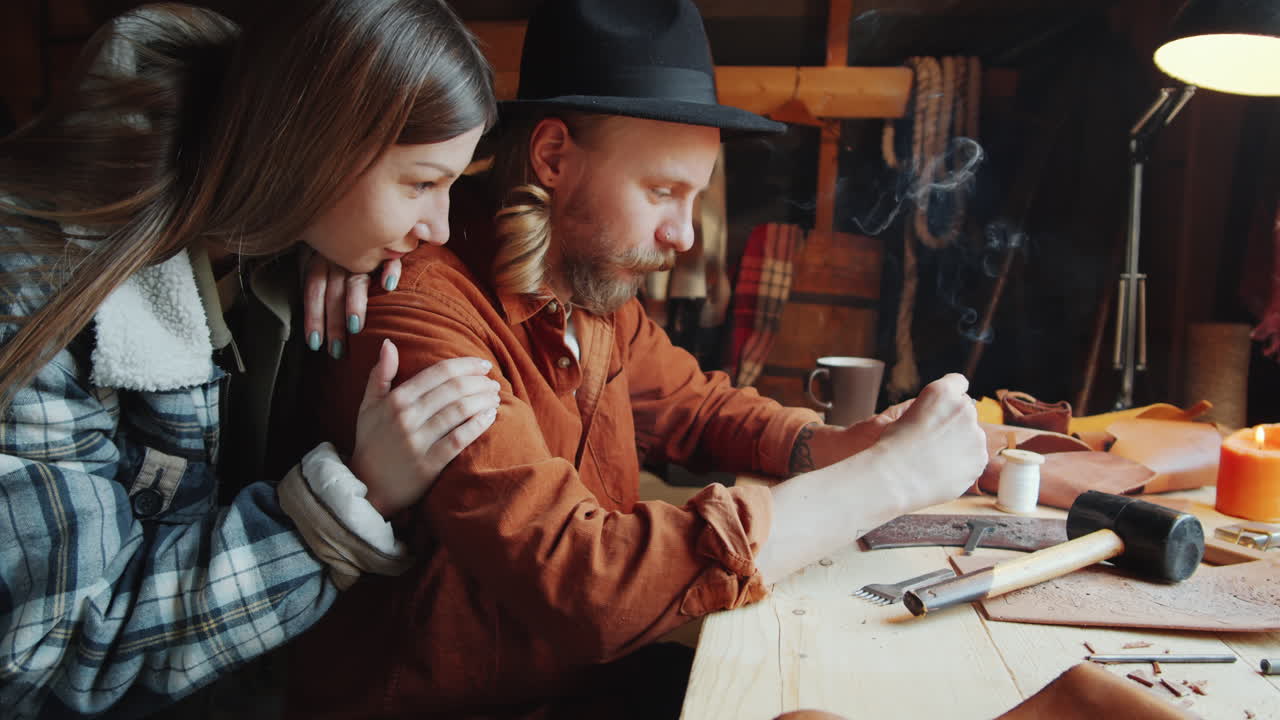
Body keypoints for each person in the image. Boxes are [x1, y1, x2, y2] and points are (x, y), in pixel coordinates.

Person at [287, 1, 988, 718]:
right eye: (661, 192)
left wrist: (830, 445)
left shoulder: (585, 282)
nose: (684, 234)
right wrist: (890, 476)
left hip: (577, 689)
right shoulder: (416, 312)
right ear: (553, 157)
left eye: (694, 196)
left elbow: (696, 404)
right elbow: (588, 585)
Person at [0, 1, 502, 717]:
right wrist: (355, 498)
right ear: (312, 148)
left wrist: (319, 230)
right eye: (421, 183)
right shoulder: (37, 291)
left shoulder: (276, 238)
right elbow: (59, 655)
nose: (439, 228)